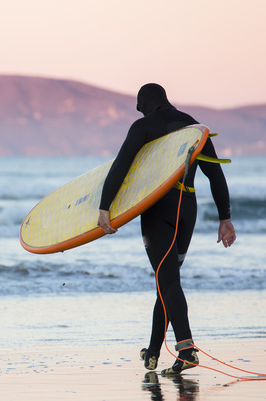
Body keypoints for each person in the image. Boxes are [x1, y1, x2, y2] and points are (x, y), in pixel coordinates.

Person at [96, 83, 236, 375]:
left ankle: (185, 349)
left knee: (167, 281)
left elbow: (121, 166)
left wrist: (104, 207)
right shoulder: (195, 127)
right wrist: (225, 218)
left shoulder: (142, 126)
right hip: (188, 208)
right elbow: (215, 174)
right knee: (167, 281)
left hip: (159, 210)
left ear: (143, 104)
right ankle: (153, 353)